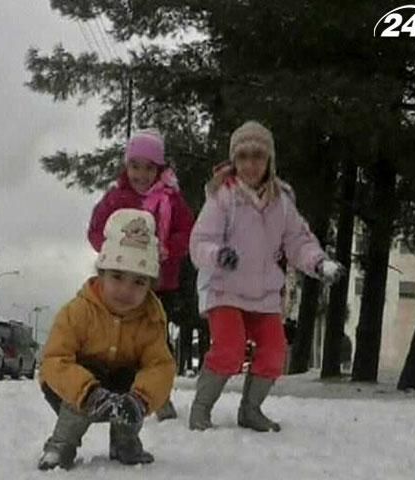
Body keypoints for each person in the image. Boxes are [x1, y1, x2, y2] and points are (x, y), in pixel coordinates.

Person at [188, 120, 343, 432]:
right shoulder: (223, 196)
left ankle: (251, 409)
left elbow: (298, 242)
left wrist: (319, 263)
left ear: (269, 159)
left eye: (257, 156)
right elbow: (199, 241)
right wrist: (219, 255)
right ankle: (201, 408)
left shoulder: (281, 202)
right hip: (225, 289)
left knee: (274, 350)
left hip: (264, 294)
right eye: (242, 156)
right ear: (234, 160)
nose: (250, 164)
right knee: (229, 350)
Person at [38, 208, 175, 470]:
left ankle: (125, 441)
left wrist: (142, 400)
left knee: (135, 382)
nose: (126, 289)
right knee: (85, 377)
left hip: (123, 389)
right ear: (101, 275)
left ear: (150, 286)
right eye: (117, 276)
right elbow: (54, 359)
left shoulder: (151, 320)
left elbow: (160, 365)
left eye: (139, 282)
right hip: (74, 390)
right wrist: (88, 392)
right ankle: (61, 443)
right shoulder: (77, 311)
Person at [87, 129, 194, 421]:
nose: (141, 174)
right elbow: (96, 231)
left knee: (155, 340)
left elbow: (187, 232)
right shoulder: (116, 199)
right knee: (122, 338)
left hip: (160, 282)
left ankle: (159, 394)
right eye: (135, 166)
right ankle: (120, 389)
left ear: (159, 169)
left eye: (149, 168)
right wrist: (113, 254)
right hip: (121, 284)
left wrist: (167, 248)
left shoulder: (171, 200)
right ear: (126, 166)